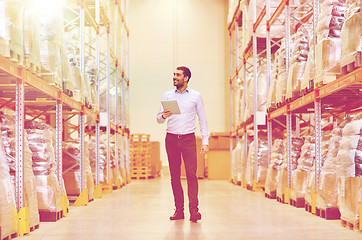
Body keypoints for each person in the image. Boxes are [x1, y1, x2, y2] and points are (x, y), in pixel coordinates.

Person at [157, 66, 209, 222]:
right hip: (171, 139)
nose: (174, 77)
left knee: (191, 175)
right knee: (174, 176)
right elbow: (159, 119)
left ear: (186, 78)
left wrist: (205, 141)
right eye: (174, 74)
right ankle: (179, 210)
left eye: (178, 75)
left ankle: (194, 211)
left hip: (188, 139)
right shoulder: (167, 95)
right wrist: (163, 116)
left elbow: (203, 118)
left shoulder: (195, 96)